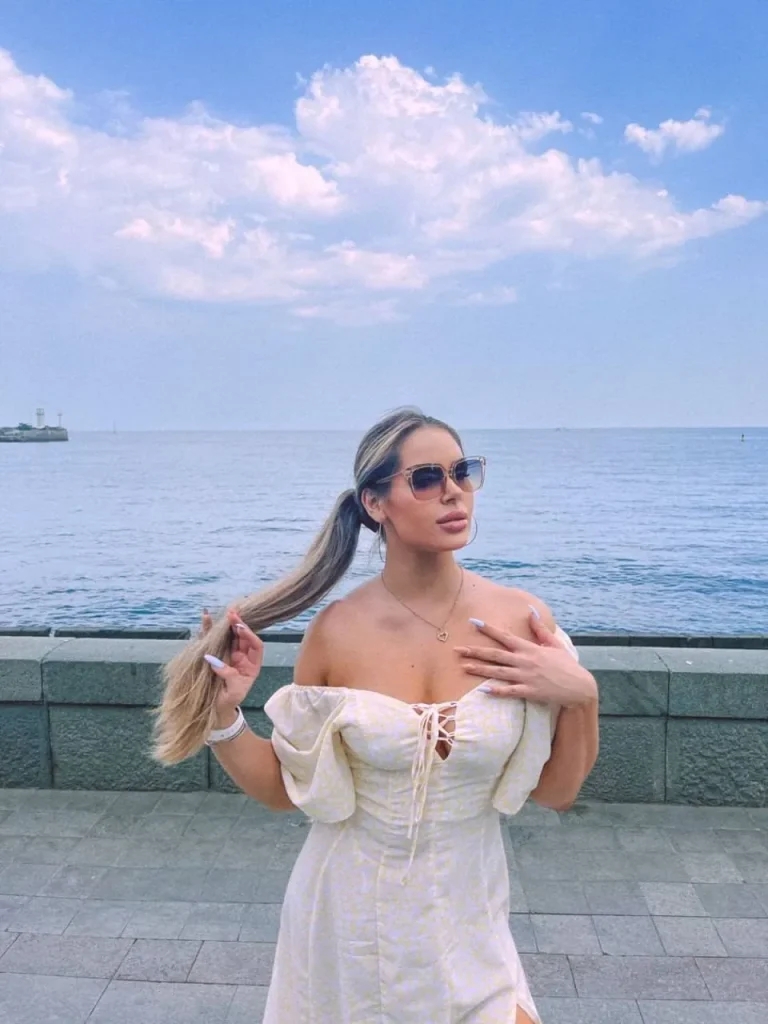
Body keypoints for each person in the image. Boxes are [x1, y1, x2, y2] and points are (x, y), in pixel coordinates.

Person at [152, 407, 599, 1024]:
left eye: (463, 471)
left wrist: (581, 694)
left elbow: (557, 791)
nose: (454, 491)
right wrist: (225, 716)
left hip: (470, 920)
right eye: (426, 478)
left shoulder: (522, 619)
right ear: (375, 502)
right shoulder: (335, 633)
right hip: (348, 927)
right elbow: (286, 791)